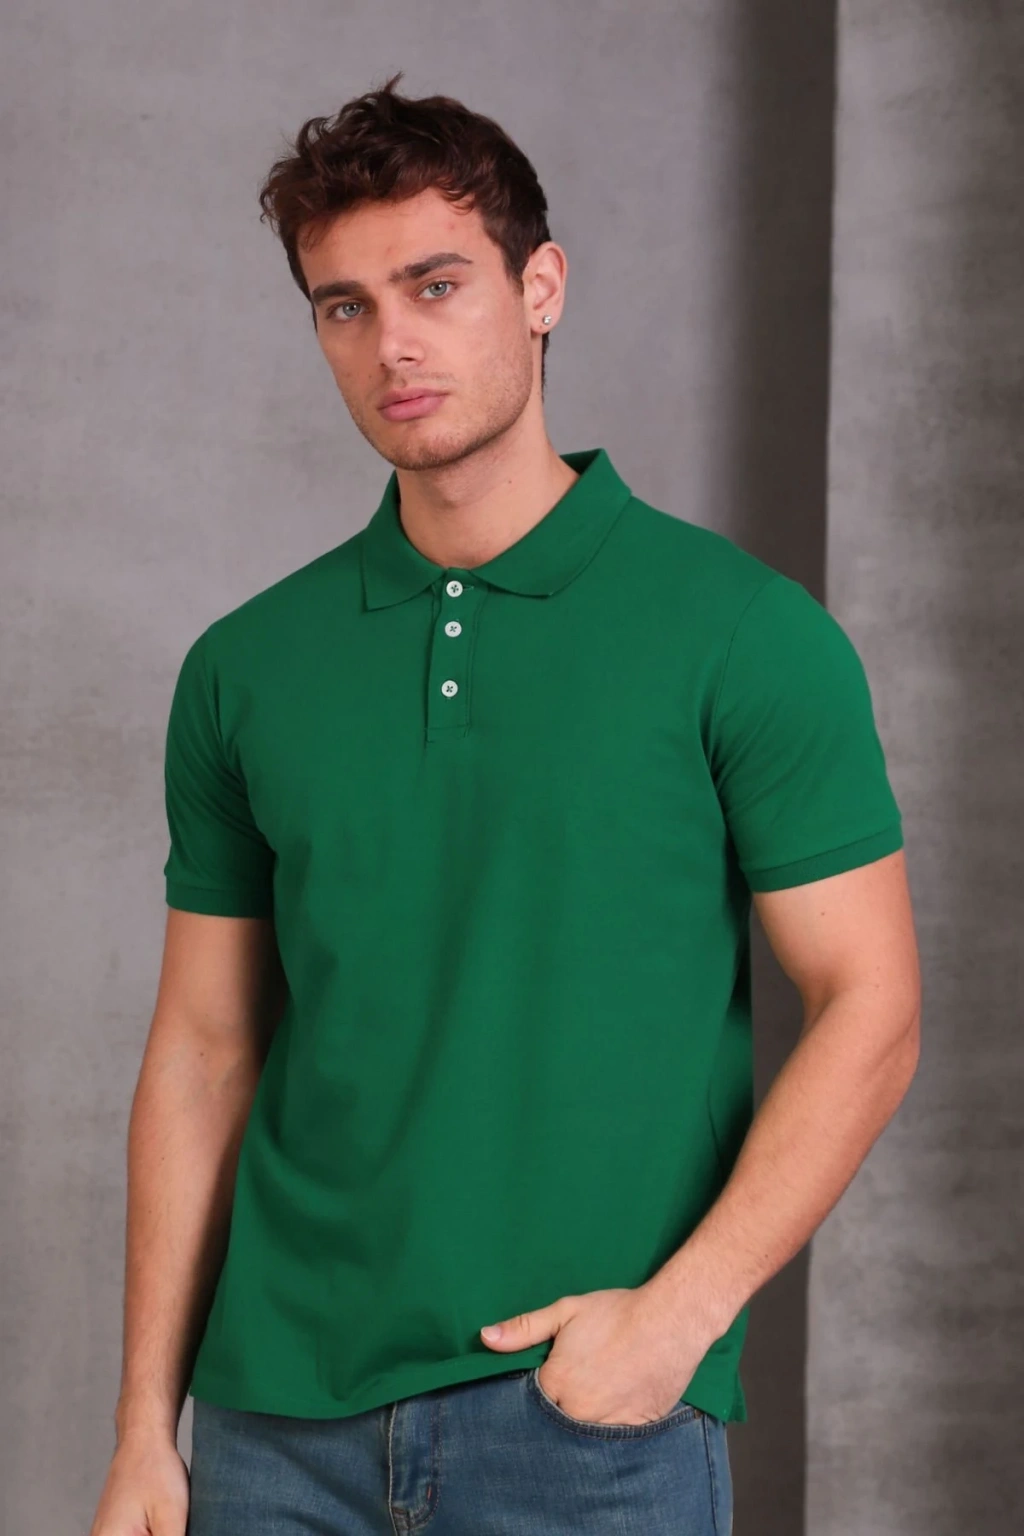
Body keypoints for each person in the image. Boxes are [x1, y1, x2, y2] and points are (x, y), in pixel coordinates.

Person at [88, 70, 921, 1536]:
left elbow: (872, 1004)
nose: (392, 343)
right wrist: (145, 1430)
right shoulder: (246, 667)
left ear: (540, 289)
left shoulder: (743, 634)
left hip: (585, 1425)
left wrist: (680, 1322)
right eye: (345, 306)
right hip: (273, 1434)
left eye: (435, 284)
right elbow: (205, 1052)